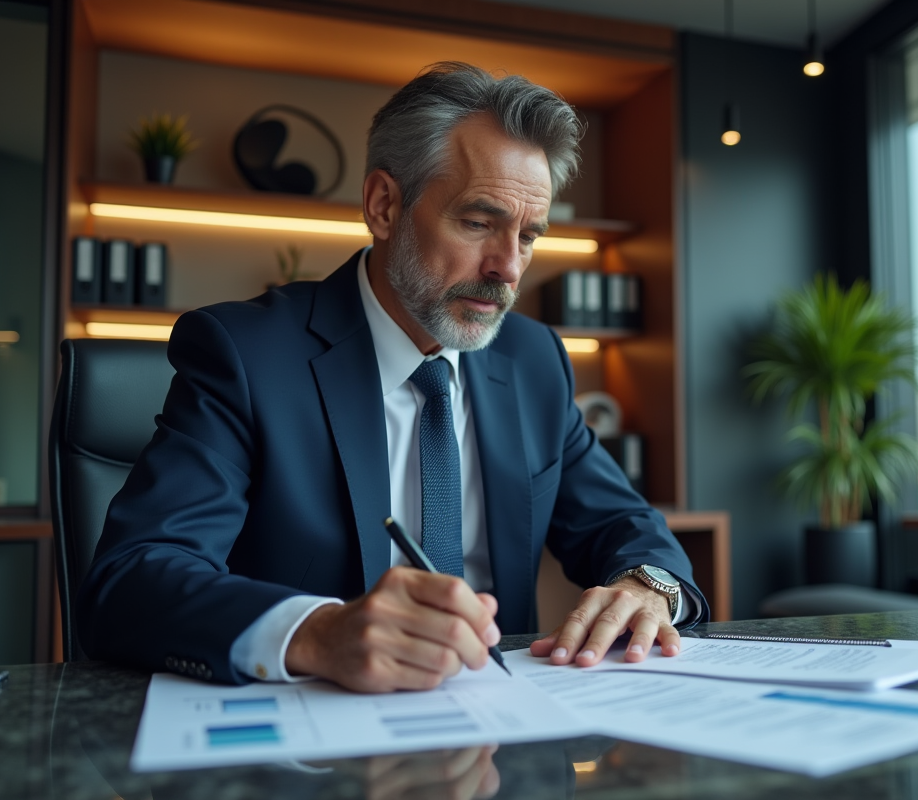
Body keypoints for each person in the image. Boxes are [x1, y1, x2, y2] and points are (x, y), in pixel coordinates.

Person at [78, 62, 707, 693]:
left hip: (509, 736)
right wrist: (316, 632)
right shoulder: (245, 355)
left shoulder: (534, 359)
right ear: (384, 205)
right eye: (479, 222)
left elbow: (622, 524)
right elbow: (133, 576)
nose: (508, 269)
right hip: (310, 751)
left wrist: (647, 586)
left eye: (529, 235)